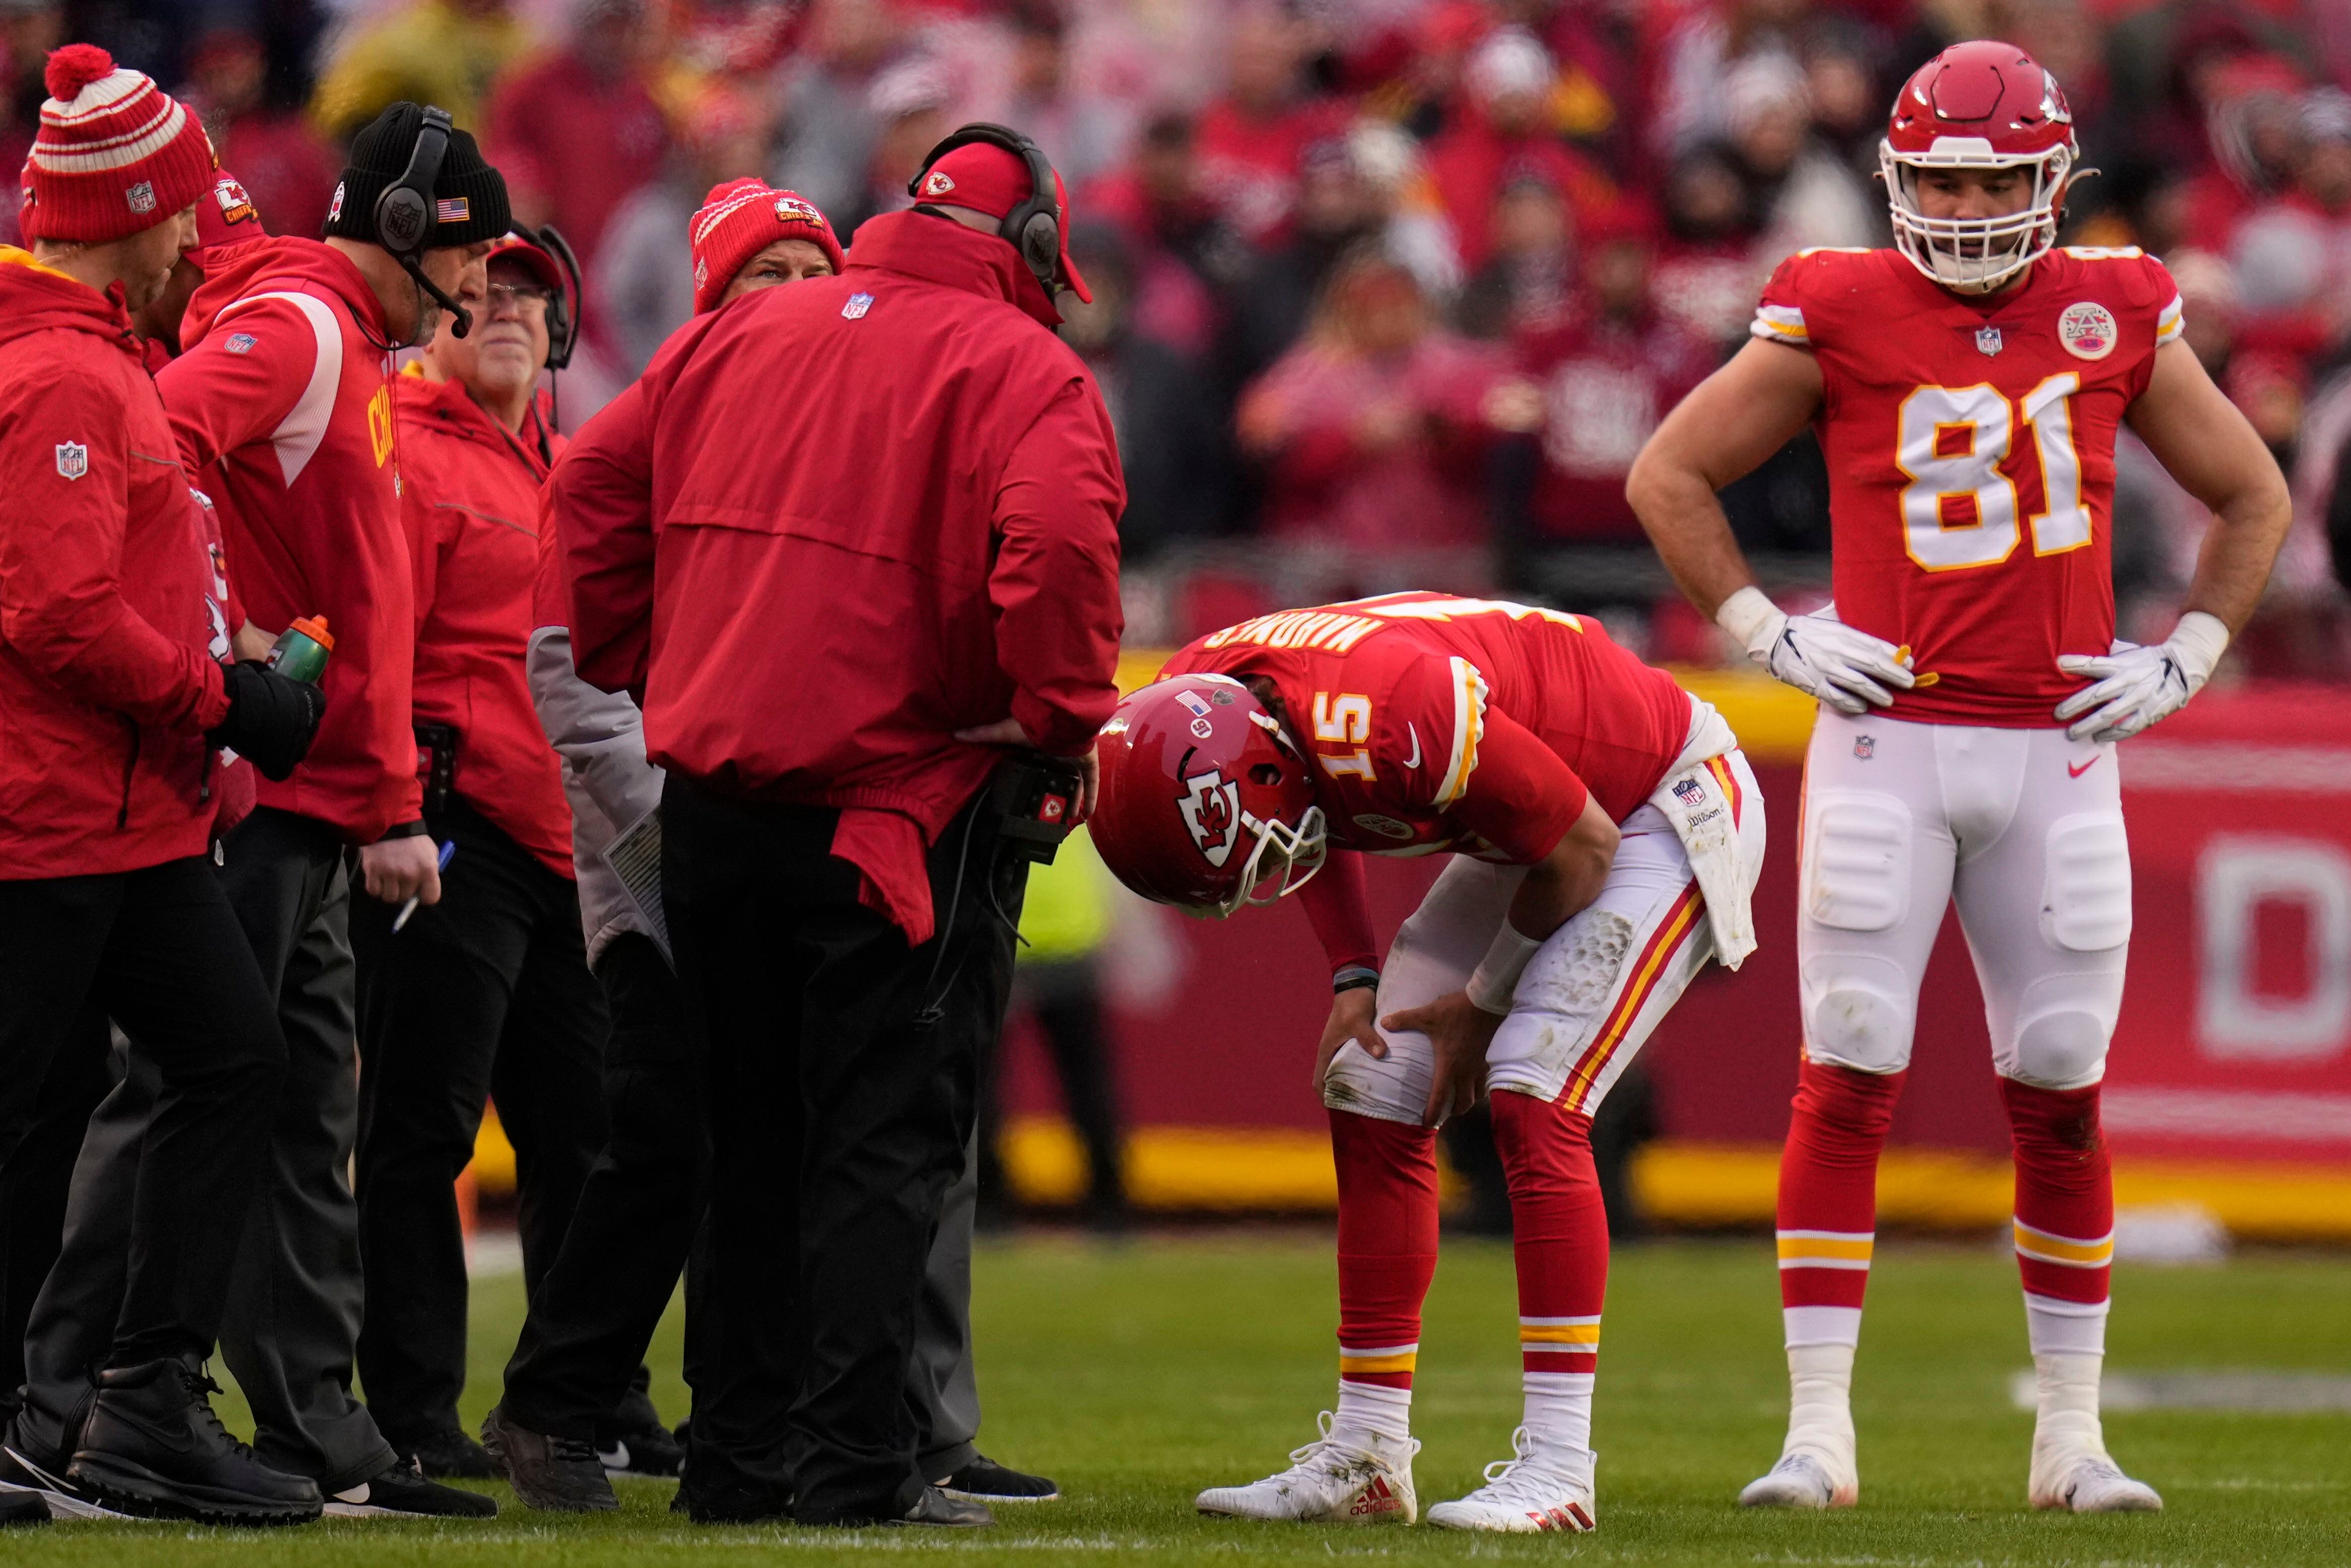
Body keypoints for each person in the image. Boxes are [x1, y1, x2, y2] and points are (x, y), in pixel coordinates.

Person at [1625, 41, 2294, 1514]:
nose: (1971, 205)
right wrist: (1759, 633)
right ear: (1895, 180)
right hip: (1891, 741)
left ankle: (2072, 1440)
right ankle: (1817, 1436)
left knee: (2058, 1088)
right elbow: (1667, 472)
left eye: (1996, 179)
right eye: (1940, 178)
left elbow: (2251, 492)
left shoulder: (2117, 304)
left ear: (2055, 180)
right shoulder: (1838, 302)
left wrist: (2185, 653)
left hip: (2056, 749)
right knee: (1846, 1063)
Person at [550, 123, 1122, 1527]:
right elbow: (1056, 548)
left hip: (718, 803)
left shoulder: (737, 339)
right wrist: (1049, 718)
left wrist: (639, 650)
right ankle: (857, 1462)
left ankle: (737, 1461)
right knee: (883, 1138)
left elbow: (588, 485)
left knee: (747, 1134)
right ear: (1036, 247)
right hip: (897, 803)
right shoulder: (1023, 367)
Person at [8, 99, 512, 1524]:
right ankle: (68, 1403)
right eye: (466, 264)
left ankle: (224, 1410)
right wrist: (223, 667)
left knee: (256, 1089)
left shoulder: (313, 341)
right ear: (407, 233)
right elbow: (115, 522)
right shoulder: (284, 331)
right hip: (193, 778)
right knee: (137, 1093)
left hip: (246, 781)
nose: (477, 299)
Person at [1089, 590, 1765, 1534]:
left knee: (1534, 1090)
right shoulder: (1201, 700)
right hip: (1543, 801)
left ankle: (1561, 1466)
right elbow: (1316, 801)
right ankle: (1367, 1455)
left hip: (1654, 802)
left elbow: (1581, 850)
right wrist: (1353, 978)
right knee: (1370, 1082)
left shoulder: (1388, 714)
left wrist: (1481, 1007)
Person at [0, 44, 324, 1526]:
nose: (202, 235)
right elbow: (59, 615)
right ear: (128, 210)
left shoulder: (89, 361)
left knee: (214, 1064)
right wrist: (225, 702)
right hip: (54, 816)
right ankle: (122, 1404)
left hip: (117, 813)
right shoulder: (62, 372)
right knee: (72, 1097)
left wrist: (232, 675)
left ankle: (131, 1407)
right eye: (182, 209)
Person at [349, 228, 667, 1481]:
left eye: (528, 295)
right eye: (478, 294)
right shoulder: (405, 447)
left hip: (567, 832)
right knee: (425, 1126)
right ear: (433, 313)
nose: (504, 310)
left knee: (589, 1131)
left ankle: (583, 1391)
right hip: (455, 821)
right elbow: (378, 643)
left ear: (562, 325)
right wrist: (391, 810)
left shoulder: (579, 467)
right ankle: (413, 1405)